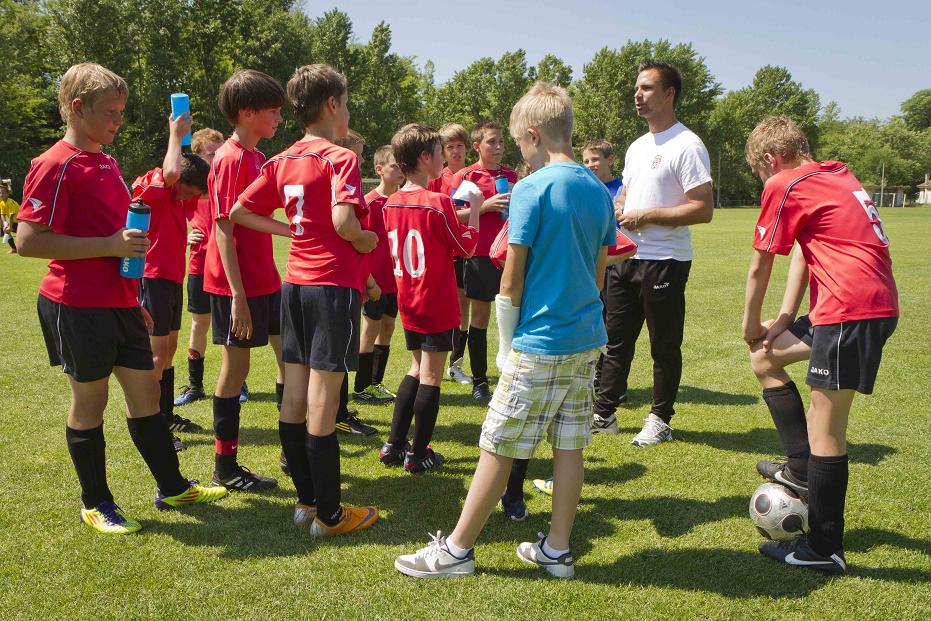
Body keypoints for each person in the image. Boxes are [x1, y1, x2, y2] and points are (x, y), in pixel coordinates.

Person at [395, 82, 615, 579]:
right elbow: (599, 273)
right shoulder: (597, 189)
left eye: (518, 142)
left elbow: (510, 281)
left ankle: (456, 551)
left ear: (533, 134)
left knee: (497, 441)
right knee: (569, 444)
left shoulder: (531, 188)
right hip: (587, 336)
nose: (519, 152)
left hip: (540, 339)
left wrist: (506, 346)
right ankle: (557, 548)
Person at [16, 63, 226, 534]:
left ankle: (172, 486)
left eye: (120, 111)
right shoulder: (54, 163)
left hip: (120, 302)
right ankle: (96, 503)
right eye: (110, 112)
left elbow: (123, 238)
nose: (118, 120)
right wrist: (109, 245)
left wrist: (133, 300)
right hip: (75, 304)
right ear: (78, 108)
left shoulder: (106, 162)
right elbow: (28, 241)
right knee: (90, 401)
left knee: (147, 393)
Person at [742, 116, 898, 574]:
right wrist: (784, 318)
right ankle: (800, 469)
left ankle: (824, 547)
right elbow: (804, 253)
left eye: (759, 173)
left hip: (851, 312)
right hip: (856, 306)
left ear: (771, 160)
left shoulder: (786, 182)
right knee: (764, 357)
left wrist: (749, 322)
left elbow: (760, 266)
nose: (763, 182)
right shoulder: (835, 174)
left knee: (826, 426)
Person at [230, 63, 380, 536]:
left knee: (293, 394)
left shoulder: (280, 159)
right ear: (332, 104)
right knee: (323, 399)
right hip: (331, 288)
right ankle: (330, 515)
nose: (348, 111)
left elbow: (239, 211)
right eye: (346, 102)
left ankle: (306, 502)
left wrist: (291, 230)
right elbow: (344, 224)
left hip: (293, 285)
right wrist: (366, 239)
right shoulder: (340, 158)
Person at [593, 60, 714, 445]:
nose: (638, 95)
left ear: (669, 94)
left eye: (646, 88)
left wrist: (646, 215)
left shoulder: (687, 145)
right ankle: (604, 414)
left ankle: (660, 419)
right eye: (637, 88)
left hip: (665, 261)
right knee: (615, 341)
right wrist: (621, 205)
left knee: (663, 346)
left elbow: (703, 208)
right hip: (625, 258)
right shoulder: (637, 146)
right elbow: (628, 192)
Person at [378, 123, 480, 474]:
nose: (443, 159)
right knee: (432, 376)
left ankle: (393, 444)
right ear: (424, 158)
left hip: (408, 299)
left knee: (417, 368)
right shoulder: (437, 203)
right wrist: (476, 208)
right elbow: (467, 247)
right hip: (435, 300)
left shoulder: (391, 202)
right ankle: (418, 453)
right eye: (439, 153)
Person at [202, 69, 286, 491]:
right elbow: (224, 228)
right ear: (247, 112)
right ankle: (226, 465)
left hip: (266, 279)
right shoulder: (230, 158)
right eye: (273, 111)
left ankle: (292, 449)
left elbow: (261, 216)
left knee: (290, 357)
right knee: (236, 368)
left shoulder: (257, 157)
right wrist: (237, 295)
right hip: (235, 286)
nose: (279, 119)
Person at [132, 113, 210, 452]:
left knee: (169, 349)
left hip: (171, 279)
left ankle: (164, 416)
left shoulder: (180, 194)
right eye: (186, 191)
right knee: (156, 354)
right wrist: (175, 134)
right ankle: (153, 426)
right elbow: (171, 173)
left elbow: (198, 183)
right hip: (152, 278)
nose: (187, 197)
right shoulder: (159, 189)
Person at [450, 121, 517, 404]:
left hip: (509, 254)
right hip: (479, 254)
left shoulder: (511, 175)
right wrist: (485, 207)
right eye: (491, 142)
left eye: (501, 141)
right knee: (480, 318)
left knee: (514, 316)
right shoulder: (466, 176)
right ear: (477, 146)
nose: (498, 147)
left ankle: (514, 377)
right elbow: (453, 217)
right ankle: (480, 382)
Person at [175, 127, 227, 407]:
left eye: (219, 153)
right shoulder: (188, 192)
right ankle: (195, 386)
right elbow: (169, 221)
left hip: (226, 267)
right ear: (197, 157)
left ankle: (237, 383)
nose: (216, 159)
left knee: (228, 325)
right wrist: (185, 237)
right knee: (199, 325)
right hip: (198, 266)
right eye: (211, 154)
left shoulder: (226, 187)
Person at [354, 144, 405, 404]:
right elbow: (359, 246)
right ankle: (361, 387)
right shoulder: (370, 203)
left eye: (402, 165)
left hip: (396, 280)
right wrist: (367, 281)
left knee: (387, 328)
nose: (400, 170)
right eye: (394, 166)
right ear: (379, 169)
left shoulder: (402, 201)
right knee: (369, 330)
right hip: (374, 281)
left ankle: (376, 382)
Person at [428, 123, 473, 384]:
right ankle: (435, 360)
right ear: (443, 151)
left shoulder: (475, 175)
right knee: (446, 306)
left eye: (459, 146)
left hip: (471, 250)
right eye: (450, 147)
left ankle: (456, 364)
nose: (455, 151)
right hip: (444, 252)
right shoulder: (437, 178)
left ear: (467, 148)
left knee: (465, 304)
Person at [1, 179, 19, 253]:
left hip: (20, 221)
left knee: (26, 235)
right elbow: (2, 214)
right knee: (6, 231)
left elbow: (12, 215)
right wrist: (5, 225)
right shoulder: (2, 203)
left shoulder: (10, 202)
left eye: (3, 193)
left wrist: (10, 227)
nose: (1, 194)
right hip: (14, 221)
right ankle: (14, 248)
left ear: (8, 194)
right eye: (0, 193)